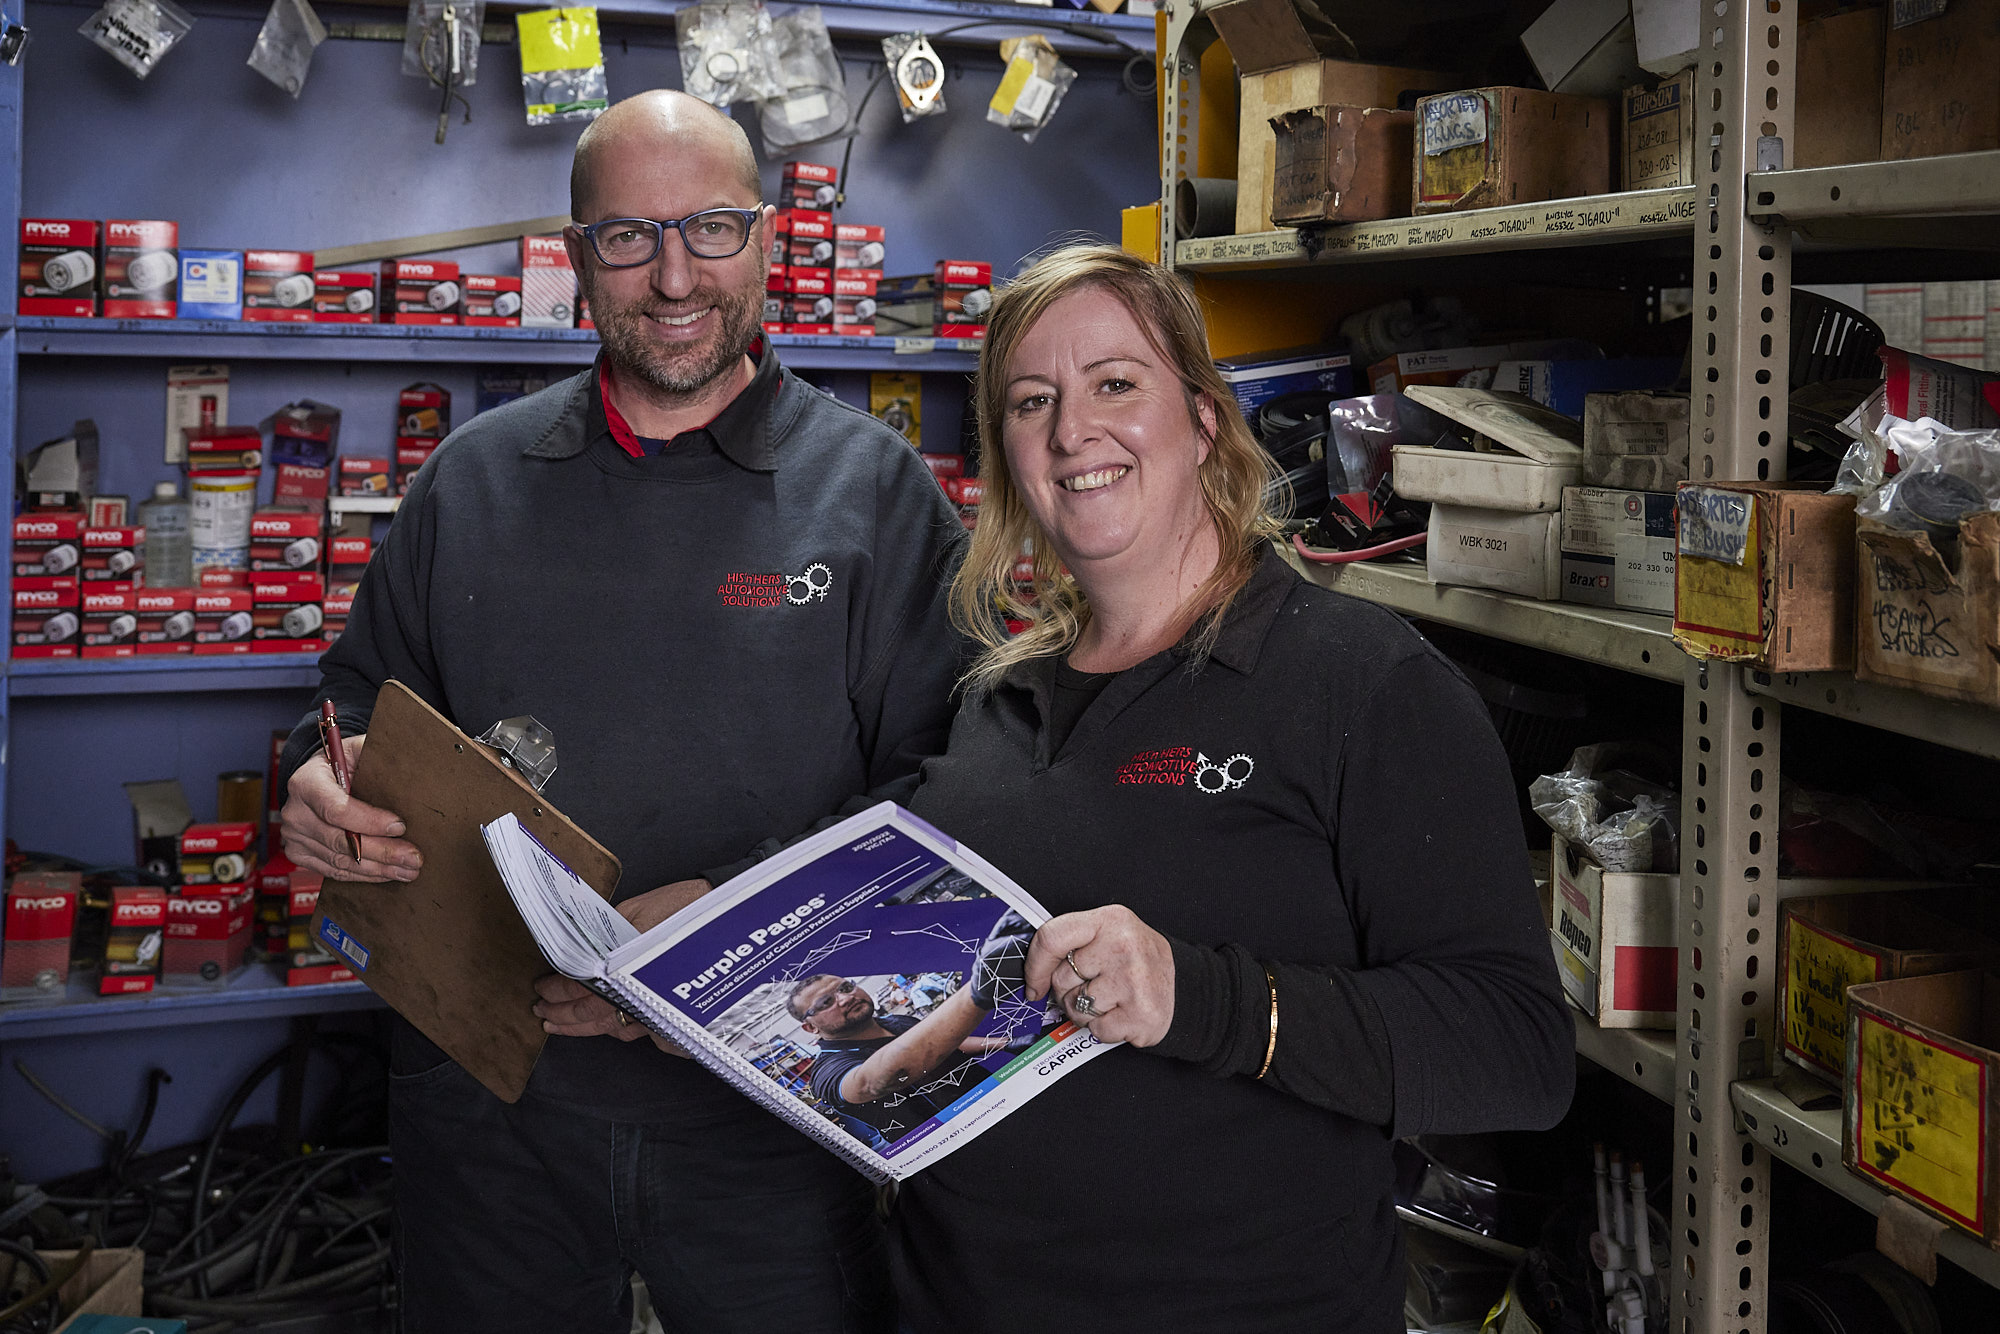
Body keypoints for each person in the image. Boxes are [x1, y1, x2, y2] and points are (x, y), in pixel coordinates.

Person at [277, 90, 966, 1334]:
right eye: (627, 238)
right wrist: (315, 789)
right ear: (577, 258)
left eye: (708, 229)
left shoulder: (878, 494)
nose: (672, 277)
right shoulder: (468, 483)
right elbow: (345, 698)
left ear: (764, 239)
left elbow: (948, 800)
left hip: (773, 1116)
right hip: (493, 1113)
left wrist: (716, 926)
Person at [890, 244, 1576, 1332]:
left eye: (1115, 382)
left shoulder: (1361, 682)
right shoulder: (993, 694)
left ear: (1204, 418)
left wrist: (1197, 995)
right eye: (1031, 401)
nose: (1072, 432)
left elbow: (1514, 1051)